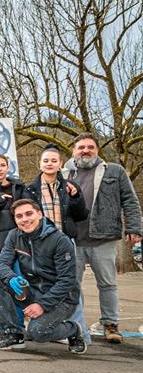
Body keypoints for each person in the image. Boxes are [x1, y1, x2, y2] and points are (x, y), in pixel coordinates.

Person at [64, 133, 142, 343]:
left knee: (107, 284)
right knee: (71, 284)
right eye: (81, 147)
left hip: (103, 238)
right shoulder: (65, 173)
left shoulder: (114, 171)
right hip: (72, 239)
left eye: (90, 147)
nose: (85, 151)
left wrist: (134, 227)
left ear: (97, 150)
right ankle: (74, 324)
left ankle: (110, 324)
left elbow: (130, 200)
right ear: (74, 150)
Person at [0, 199, 86, 354]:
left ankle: (73, 329)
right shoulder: (14, 236)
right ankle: (14, 335)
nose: (25, 219)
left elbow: (67, 281)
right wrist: (11, 278)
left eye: (29, 214)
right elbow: (1, 263)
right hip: (33, 290)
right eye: (19, 216)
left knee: (38, 333)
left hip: (62, 299)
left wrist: (42, 305)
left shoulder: (60, 240)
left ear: (40, 214)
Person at [24, 144, 91, 343]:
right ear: (40, 163)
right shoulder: (30, 190)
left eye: (54, 160)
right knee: (47, 284)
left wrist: (76, 197)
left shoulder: (70, 187)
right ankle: (54, 326)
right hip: (42, 245)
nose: (50, 164)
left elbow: (81, 215)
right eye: (46, 160)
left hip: (65, 242)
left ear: (61, 164)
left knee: (71, 285)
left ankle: (80, 331)